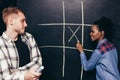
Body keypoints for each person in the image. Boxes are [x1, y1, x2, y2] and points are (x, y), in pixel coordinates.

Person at [0, 7, 43, 80]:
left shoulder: (29, 37)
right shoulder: (1, 45)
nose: (26, 24)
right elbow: (5, 78)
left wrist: (15, 72)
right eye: (22, 21)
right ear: (11, 21)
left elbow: (38, 62)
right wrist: (24, 76)